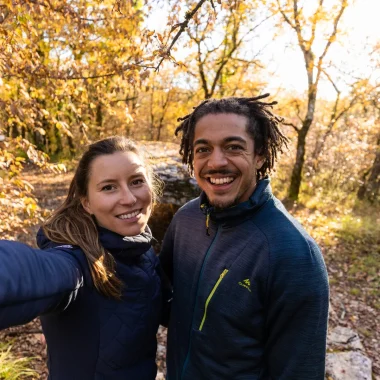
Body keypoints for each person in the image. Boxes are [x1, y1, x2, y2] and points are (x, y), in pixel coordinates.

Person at [160, 94, 329, 380]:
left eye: (233, 147)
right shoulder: (186, 219)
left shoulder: (294, 254)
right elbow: (161, 301)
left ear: (260, 153)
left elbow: (300, 370)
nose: (216, 162)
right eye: (203, 149)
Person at [0, 136, 165, 380]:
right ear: (86, 202)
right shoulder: (78, 262)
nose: (129, 198)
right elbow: (30, 273)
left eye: (137, 181)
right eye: (109, 187)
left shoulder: (142, 250)